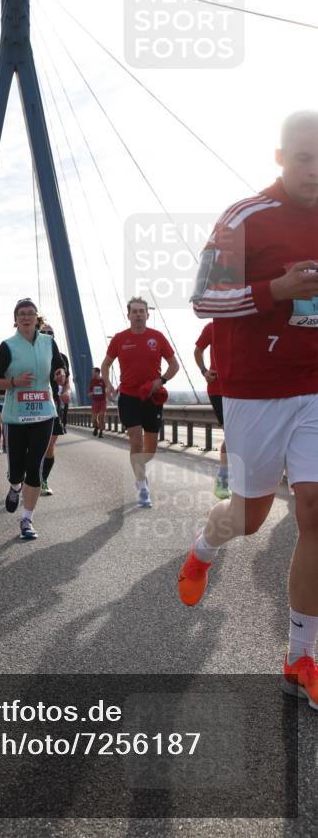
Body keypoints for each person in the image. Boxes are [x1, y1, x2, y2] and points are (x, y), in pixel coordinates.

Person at [179, 110, 318, 710]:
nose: (314, 169)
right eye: (304, 157)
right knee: (251, 517)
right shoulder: (245, 217)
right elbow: (202, 297)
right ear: (281, 157)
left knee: (314, 508)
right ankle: (203, 551)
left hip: (315, 385)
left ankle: (301, 655)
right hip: (256, 392)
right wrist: (274, 293)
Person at [0, 298, 67, 540]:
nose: (26, 318)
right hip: (17, 416)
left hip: (44, 412)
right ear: (16, 318)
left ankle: (27, 519)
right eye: (21, 314)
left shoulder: (48, 343)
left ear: (37, 318)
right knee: (17, 472)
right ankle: (14, 487)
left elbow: (59, 370)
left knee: (34, 466)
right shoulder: (7, 346)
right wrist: (14, 382)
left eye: (30, 313)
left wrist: (60, 375)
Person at [101, 298, 179, 507]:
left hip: (152, 397)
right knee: (136, 439)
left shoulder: (157, 337)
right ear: (128, 315)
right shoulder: (119, 339)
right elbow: (106, 364)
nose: (138, 314)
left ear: (147, 314)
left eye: (141, 311)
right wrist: (108, 384)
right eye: (134, 311)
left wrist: (160, 381)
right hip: (128, 397)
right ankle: (142, 485)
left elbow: (174, 365)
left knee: (150, 449)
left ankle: (139, 469)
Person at [194, 322, 230, 499]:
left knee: (244, 435)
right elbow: (197, 350)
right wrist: (204, 371)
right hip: (218, 389)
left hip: (244, 387)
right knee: (232, 435)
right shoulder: (212, 327)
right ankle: (223, 480)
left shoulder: (247, 323)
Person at [38, 320, 71, 496]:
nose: (48, 335)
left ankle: (43, 479)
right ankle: (21, 473)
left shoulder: (62, 358)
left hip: (53, 407)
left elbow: (67, 382)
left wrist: (66, 391)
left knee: (49, 445)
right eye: (44, 332)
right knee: (32, 445)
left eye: (51, 333)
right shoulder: (31, 354)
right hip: (32, 406)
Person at [89, 366, 107, 438]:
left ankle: (101, 432)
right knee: (94, 418)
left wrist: (107, 392)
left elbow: (107, 388)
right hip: (95, 402)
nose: (92, 373)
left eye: (93, 372)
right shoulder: (92, 380)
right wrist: (90, 393)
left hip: (102, 401)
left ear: (97, 372)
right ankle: (96, 427)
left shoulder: (103, 380)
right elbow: (90, 389)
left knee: (101, 417)